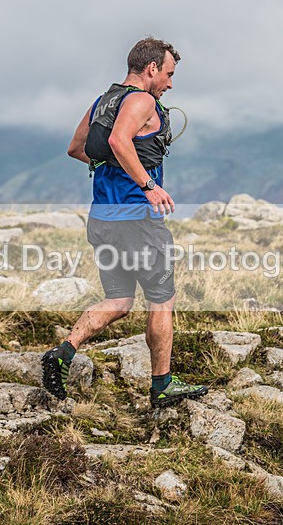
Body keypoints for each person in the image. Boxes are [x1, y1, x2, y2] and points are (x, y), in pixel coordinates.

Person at [42, 36, 208, 408]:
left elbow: (76, 148)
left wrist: (116, 173)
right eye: (168, 74)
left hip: (103, 217)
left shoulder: (104, 100)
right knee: (161, 301)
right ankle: (162, 385)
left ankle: (63, 353)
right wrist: (147, 185)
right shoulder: (143, 100)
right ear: (151, 69)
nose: (169, 83)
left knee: (118, 301)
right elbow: (119, 140)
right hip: (137, 220)